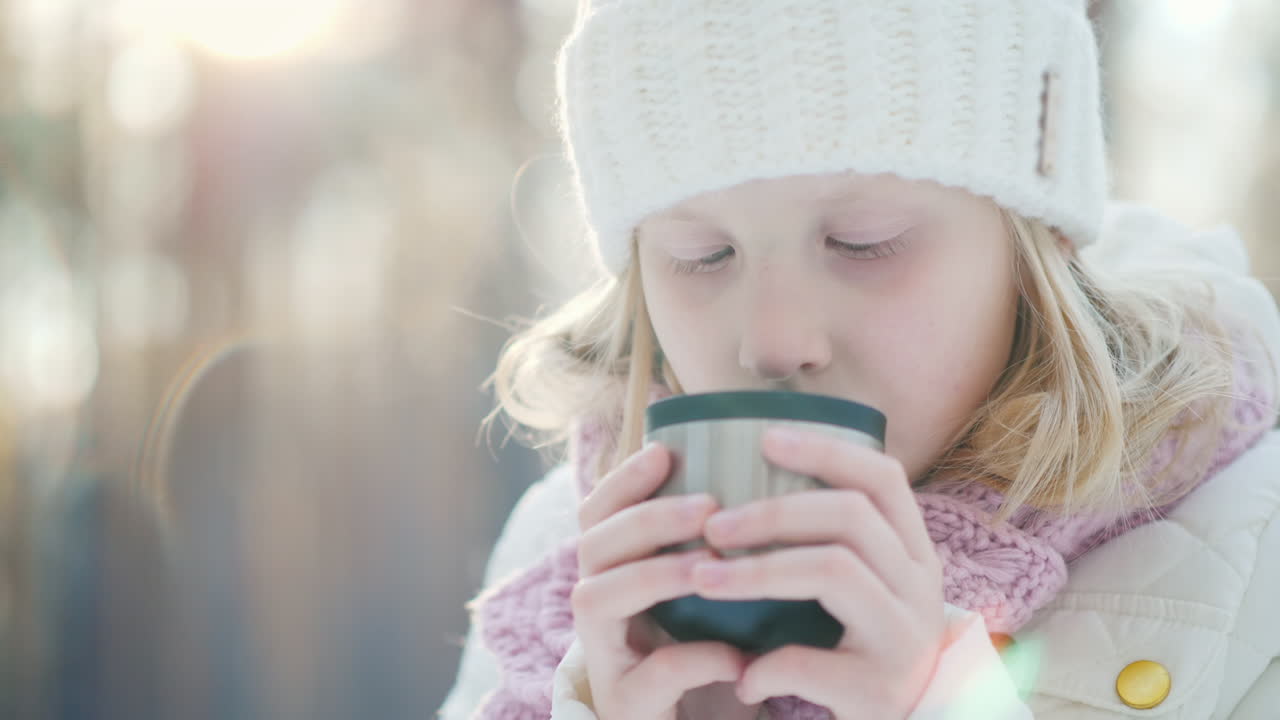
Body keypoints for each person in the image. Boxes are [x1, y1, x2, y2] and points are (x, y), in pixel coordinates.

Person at [442, 1, 1280, 717]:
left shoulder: (1247, 540)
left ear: (1038, 242)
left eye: (861, 243)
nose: (770, 341)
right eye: (702, 256)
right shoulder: (568, 564)